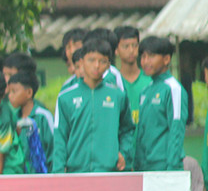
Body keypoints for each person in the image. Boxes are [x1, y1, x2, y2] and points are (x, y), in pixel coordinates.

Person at [51, 37, 134, 173]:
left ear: (108, 65)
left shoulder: (118, 96)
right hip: (76, 173)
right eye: (91, 60)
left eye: (102, 61)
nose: (96, 66)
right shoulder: (65, 97)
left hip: (109, 173)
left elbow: (127, 129)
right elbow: (60, 136)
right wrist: (58, 172)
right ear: (82, 62)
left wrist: (124, 153)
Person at [134, 36, 186, 171]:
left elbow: (176, 129)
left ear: (166, 59)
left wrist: (172, 168)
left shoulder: (174, 89)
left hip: (165, 166)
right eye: (143, 57)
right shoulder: (145, 91)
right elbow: (142, 131)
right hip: (145, 167)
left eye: (151, 56)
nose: (145, 62)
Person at [6, 70, 55, 173]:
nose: (10, 96)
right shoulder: (13, 119)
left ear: (29, 93)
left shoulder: (43, 117)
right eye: (9, 92)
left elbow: (54, 147)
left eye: (14, 91)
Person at [114, 25, 151, 124]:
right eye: (126, 46)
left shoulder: (150, 80)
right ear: (116, 50)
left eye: (134, 45)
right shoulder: (113, 82)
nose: (131, 50)